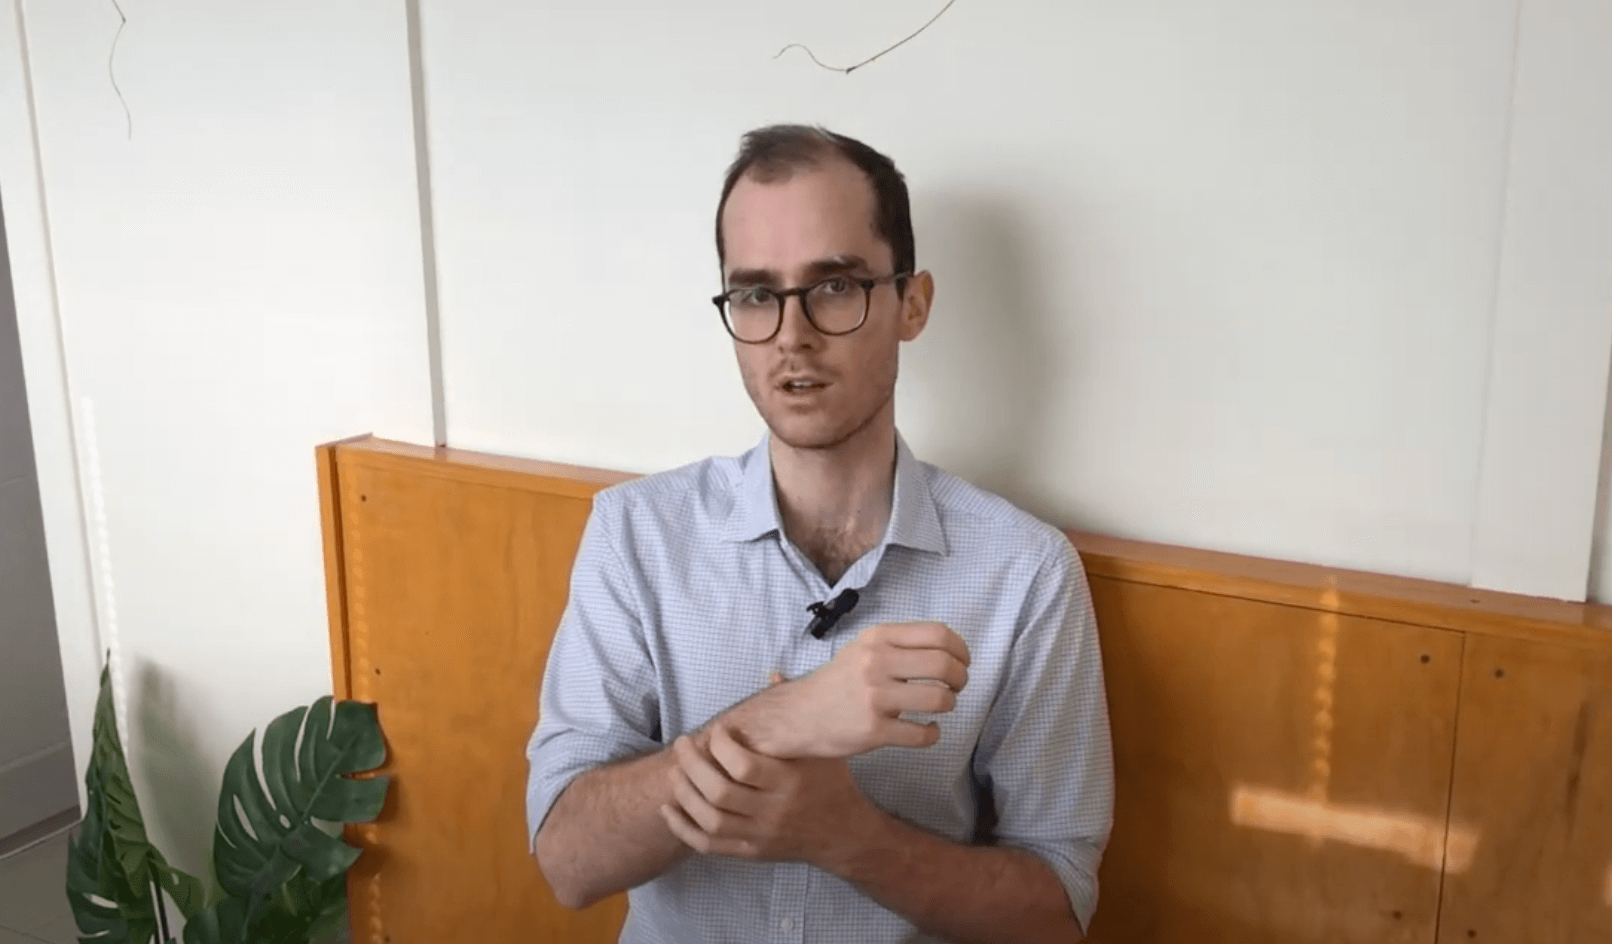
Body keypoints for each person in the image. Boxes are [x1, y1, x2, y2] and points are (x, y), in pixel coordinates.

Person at [527, 124, 1113, 943]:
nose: (791, 336)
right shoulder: (637, 536)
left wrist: (851, 840)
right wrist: (778, 720)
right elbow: (567, 861)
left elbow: (1055, 913)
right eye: (757, 295)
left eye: (833, 287)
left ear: (912, 304)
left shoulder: (1026, 573)